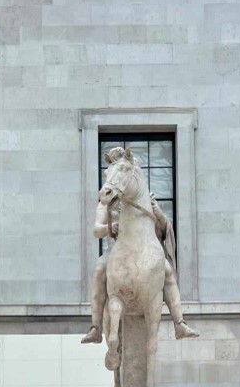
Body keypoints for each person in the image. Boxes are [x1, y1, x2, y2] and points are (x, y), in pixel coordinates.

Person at [82, 146, 199, 345]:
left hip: (146, 252)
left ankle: (179, 322)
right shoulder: (107, 202)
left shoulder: (145, 198)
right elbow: (96, 230)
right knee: (100, 270)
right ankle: (96, 327)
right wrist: (112, 226)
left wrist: (158, 213)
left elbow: (162, 227)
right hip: (117, 251)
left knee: (167, 271)